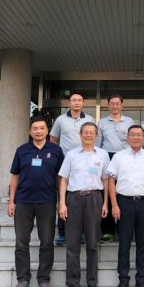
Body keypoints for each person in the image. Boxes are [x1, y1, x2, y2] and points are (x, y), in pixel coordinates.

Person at [8, 116, 64, 287]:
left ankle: (44, 279)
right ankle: (23, 279)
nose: (38, 131)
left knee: (47, 241)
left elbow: (61, 177)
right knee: (21, 242)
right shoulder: (22, 150)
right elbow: (15, 177)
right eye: (35, 128)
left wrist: (61, 201)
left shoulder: (56, 150)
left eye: (42, 128)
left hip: (47, 202)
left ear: (47, 131)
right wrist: (11, 201)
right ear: (30, 131)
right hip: (24, 202)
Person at [58, 122, 110, 287]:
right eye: (85, 132)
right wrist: (62, 203)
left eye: (91, 132)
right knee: (72, 244)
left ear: (96, 136)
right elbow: (63, 179)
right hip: (73, 199)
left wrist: (105, 203)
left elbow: (106, 180)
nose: (88, 135)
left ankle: (92, 283)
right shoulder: (72, 155)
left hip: (95, 199)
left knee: (92, 244)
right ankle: (73, 284)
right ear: (80, 135)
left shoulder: (102, 155)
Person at [107, 125, 144, 287]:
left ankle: (141, 281)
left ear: (143, 137)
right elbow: (111, 181)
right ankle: (123, 280)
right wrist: (114, 205)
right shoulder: (119, 157)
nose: (136, 137)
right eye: (133, 135)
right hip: (124, 203)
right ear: (127, 137)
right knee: (124, 244)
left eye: (139, 135)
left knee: (142, 244)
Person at [50, 93, 95, 246]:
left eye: (80, 100)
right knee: (65, 196)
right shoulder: (60, 120)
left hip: (86, 161)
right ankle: (62, 233)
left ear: (83, 103)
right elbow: (54, 140)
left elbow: (95, 138)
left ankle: (82, 233)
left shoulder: (89, 119)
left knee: (83, 197)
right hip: (66, 161)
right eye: (74, 100)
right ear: (69, 103)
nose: (77, 103)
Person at [97, 94, 134, 242]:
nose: (115, 106)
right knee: (106, 192)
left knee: (123, 193)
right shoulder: (102, 123)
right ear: (108, 105)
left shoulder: (129, 121)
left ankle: (124, 229)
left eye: (117, 103)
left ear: (122, 105)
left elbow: (133, 140)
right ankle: (108, 231)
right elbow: (98, 143)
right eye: (112, 103)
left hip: (125, 158)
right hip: (107, 157)